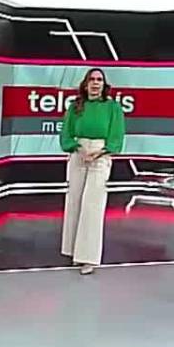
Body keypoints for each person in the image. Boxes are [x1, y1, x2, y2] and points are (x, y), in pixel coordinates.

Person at [59, 68, 126, 275]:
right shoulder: (75, 106)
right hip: (78, 154)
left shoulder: (113, 108)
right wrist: (79, 149)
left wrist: (98, 153)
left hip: (100, 156)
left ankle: (88, 258)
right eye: (92, 79)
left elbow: (116, 137)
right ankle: (72, 251)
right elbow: (66, 135)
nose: (96, 83)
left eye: (99, 80)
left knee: (92, 205)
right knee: (75, 201)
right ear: (86, 84)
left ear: (103, 84)